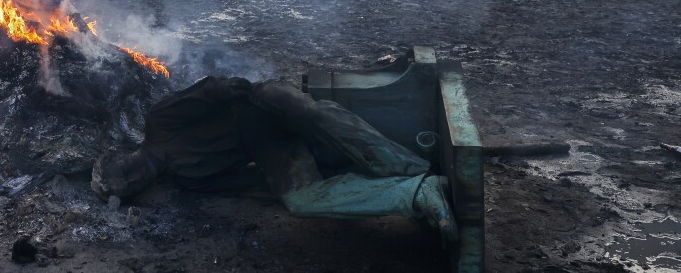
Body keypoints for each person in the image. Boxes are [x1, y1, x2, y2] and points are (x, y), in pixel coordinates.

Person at [90, 76, 457, 244]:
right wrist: (294, 182)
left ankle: (413, 168)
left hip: (265, 104)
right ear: (139, 188)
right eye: (131, 183)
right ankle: (417, 192)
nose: (136, 174)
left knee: (317, 116)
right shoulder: (189, 178)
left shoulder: (159, 121)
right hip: (272, 149)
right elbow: (254, 183)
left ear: (128, 156)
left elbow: (215, 89)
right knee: (301, 201)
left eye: (126, 168)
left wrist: (257, 96)